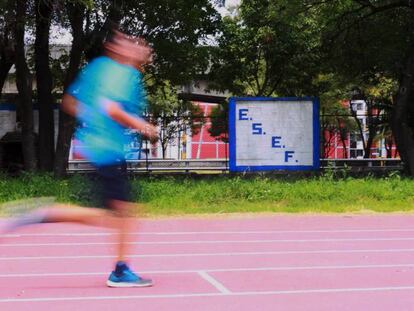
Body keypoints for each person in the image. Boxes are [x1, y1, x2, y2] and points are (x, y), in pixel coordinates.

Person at [6, 30, 158, 288]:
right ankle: (119, 271)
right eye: (134, 44)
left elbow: (69, 102)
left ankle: (44, 213)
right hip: (109, 150)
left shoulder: (97, 68)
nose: (140, 48)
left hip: (96, 147)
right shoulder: (124, 73)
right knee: (122, 215)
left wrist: (93, 123)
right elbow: (112, 109)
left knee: (116, 215)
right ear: (118, 49)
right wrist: (144, 126)